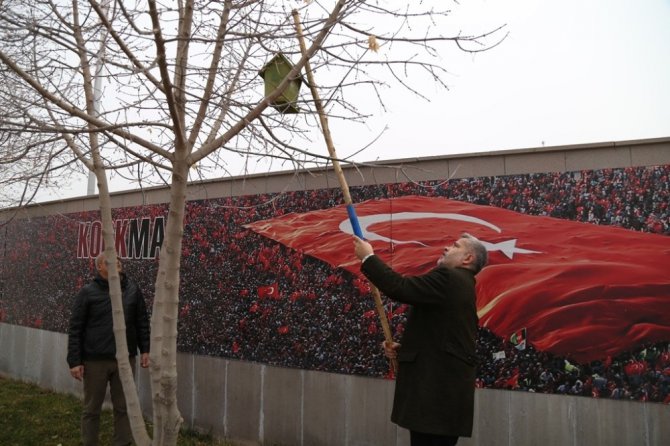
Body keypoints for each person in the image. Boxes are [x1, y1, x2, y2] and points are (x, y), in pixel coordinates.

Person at [353, 233, 488, 446]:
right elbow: (443, 336)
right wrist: (406, 349)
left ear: (468, 259)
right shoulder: (461, 284)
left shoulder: (449, 278)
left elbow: (401, 288)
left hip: (435, 396)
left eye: (455, 246)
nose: (446, 248)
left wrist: (368, 257)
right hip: (443, 399)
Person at [67, 253, 150, 446]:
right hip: (95, 360)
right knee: (92, 408)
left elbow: (141, 322)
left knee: (124, 407)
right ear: (99, 268)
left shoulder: (132, 290)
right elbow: (76, 328)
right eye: (109, 261)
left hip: (125, 359)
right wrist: (75, 361)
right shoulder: (88, 292)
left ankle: (122, 442)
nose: (117, 262)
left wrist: (145, 349)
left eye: (118, 260)